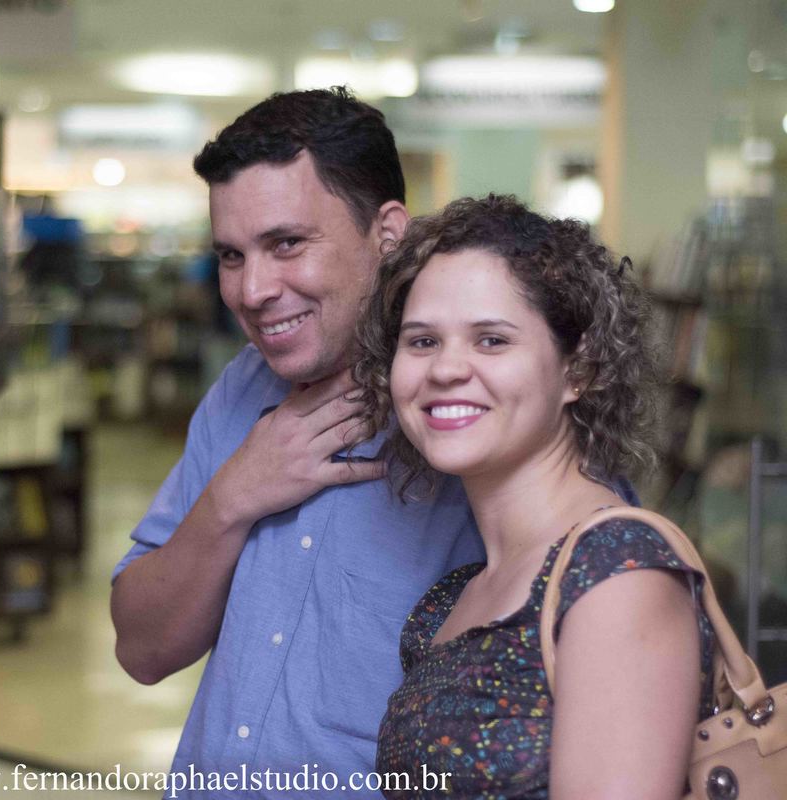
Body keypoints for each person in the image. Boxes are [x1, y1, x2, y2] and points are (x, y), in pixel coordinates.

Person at [110, 88, 485, 795]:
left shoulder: (476, 411)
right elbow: (141, 649)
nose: (252, 290)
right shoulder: (241, 390)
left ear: (388, 233)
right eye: (231, 255)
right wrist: (232, 498)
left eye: (286, 244)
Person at [356, 195, 713, 798]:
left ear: (580, 370)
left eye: (492, 340)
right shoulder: (454, 596)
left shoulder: (616, 575)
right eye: (422, 342)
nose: (445, 369)